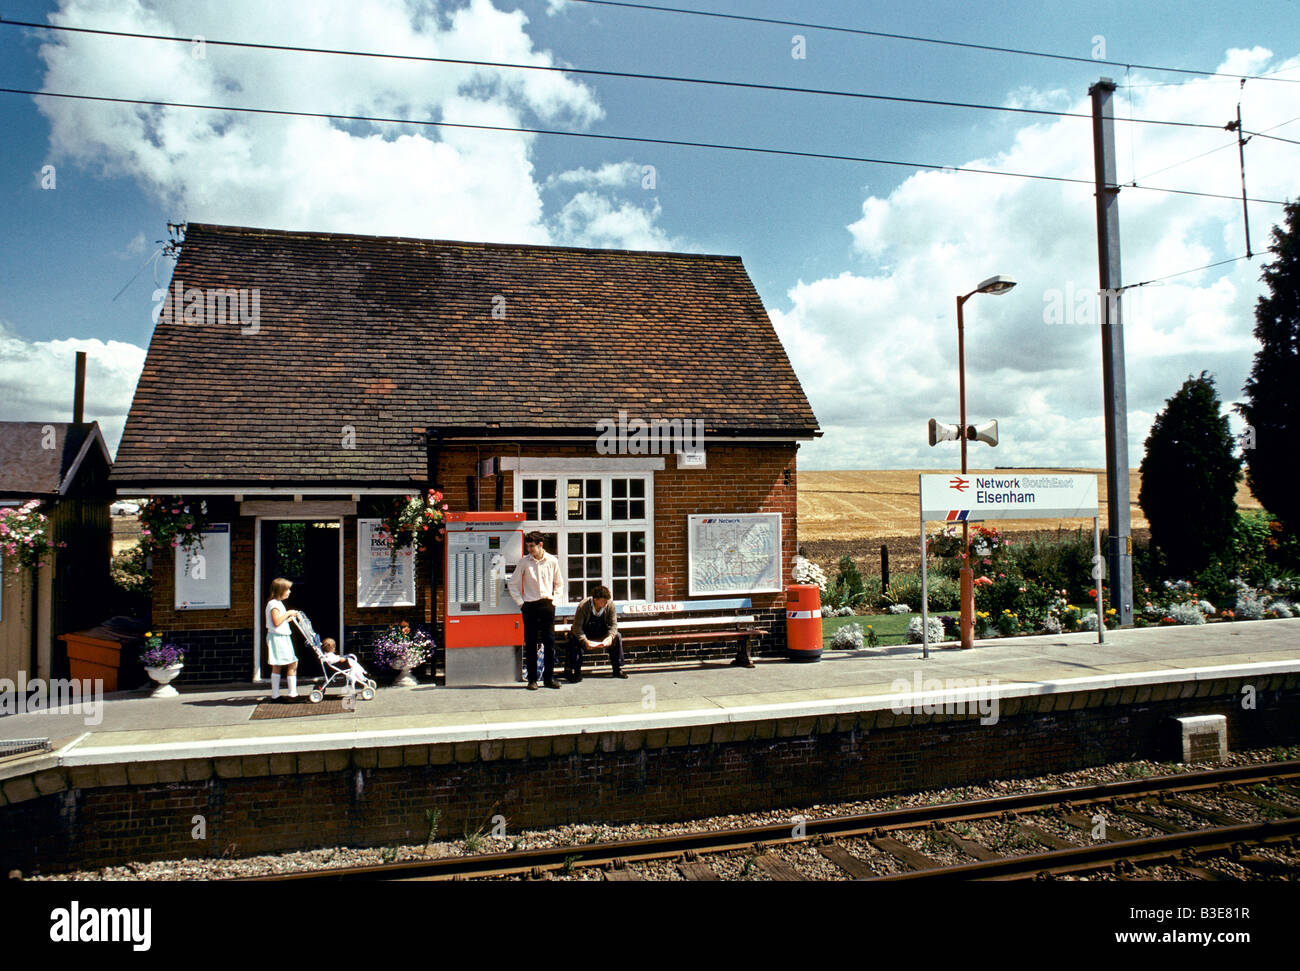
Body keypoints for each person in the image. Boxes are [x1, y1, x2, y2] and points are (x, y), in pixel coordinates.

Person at [507, 530, 564, 690]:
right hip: (530, 606)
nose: (529, 549)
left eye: (532, 546)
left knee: (549, 643)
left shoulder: (552, 561)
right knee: (531, 643)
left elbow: (559, 584)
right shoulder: (524, 562)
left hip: (547, 605)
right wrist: (521, 603)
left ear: (540, 545)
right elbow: (512, 583)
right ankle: (532, 680)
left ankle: (549, 679)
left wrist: (554, 601)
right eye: (528, 546)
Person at [567, 584, 625, 681]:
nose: (606, 603)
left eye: (607, 600)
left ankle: (617, 669)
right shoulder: (583, 606)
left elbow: (613, 625)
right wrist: (585, 640)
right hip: (586, 632)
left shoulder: (610, 605)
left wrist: (610, 637)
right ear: (595, 599)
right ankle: (576, 671)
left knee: (617, 636)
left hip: (602, 631)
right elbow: (577, 627)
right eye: (603, 601)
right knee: (574, 638)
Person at [265, 577, 300, 700]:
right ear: (280, 591)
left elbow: (280, 622)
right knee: (292, 663)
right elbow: (276, 622)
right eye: (287, 589)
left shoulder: (278, 604)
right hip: (278, 638)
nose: (289, 592)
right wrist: (288, 613)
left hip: (280, 636)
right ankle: (292, 694)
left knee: (277, 665)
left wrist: (290, 617)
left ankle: (276, 694)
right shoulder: (274, 604)